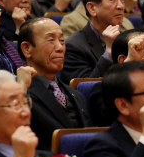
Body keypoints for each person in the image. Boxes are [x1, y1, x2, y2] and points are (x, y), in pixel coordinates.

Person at [19, 18, 92, 149]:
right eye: (50, 40)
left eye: (62, 40)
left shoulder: (75, 94)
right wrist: (21, 90)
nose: (60, 48)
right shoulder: (20, 93)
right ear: (27, 49)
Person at [61, 0, 126, 81]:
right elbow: (85, 89)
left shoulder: (126, 39)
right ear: (92, 8)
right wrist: (109, 51)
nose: (120, 6)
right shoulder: (73, 47)